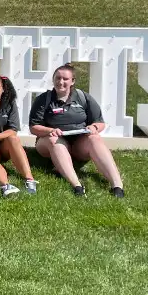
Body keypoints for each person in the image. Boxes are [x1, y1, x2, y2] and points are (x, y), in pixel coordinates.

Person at [30, 64, 125, 197]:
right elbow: (34, 127)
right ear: (53, 79)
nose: (60, 82)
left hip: (78, 142)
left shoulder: (83, 97)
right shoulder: (43, 99)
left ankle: (117, 186)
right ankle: (77, 185)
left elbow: (100, 122)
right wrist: (50, 130)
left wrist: (94, 128)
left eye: (65, 79)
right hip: (50, 142)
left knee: (95, 138)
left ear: (72, 81)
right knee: (53, 140)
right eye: (57, 78)